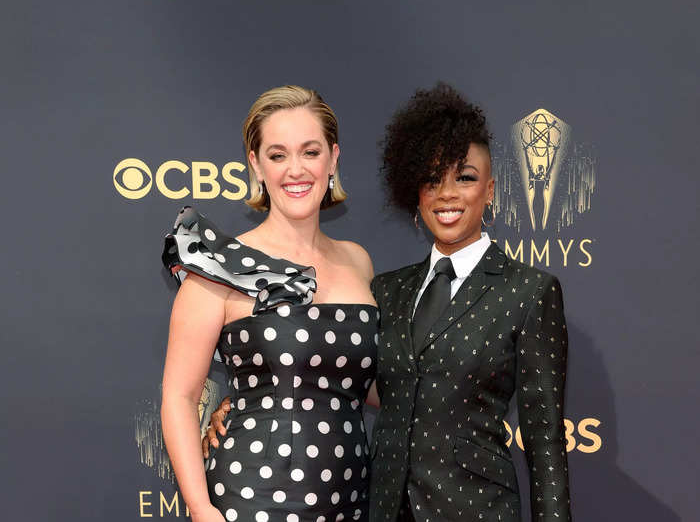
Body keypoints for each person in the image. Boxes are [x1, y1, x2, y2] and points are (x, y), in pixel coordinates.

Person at [205, 83, 572, 522]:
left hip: (478, 510)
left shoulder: (527, 291)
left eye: (466, 178)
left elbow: (545, 441)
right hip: (378, 507)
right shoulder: (389, 291)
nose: (448, 194)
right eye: (432, 179)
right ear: (414, 192)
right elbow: (351, 373)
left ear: (490, 190)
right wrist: (251, 398)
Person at [160, 85, 379, 522]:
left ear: (333, 159)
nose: (295, 170)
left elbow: (367, 385)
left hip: (350, 495)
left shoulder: (359, 261)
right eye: (278, 155)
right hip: (253, 495)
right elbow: (179, 396)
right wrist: (202, 509)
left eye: (310, 152)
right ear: (256, 165)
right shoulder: (220, 267)